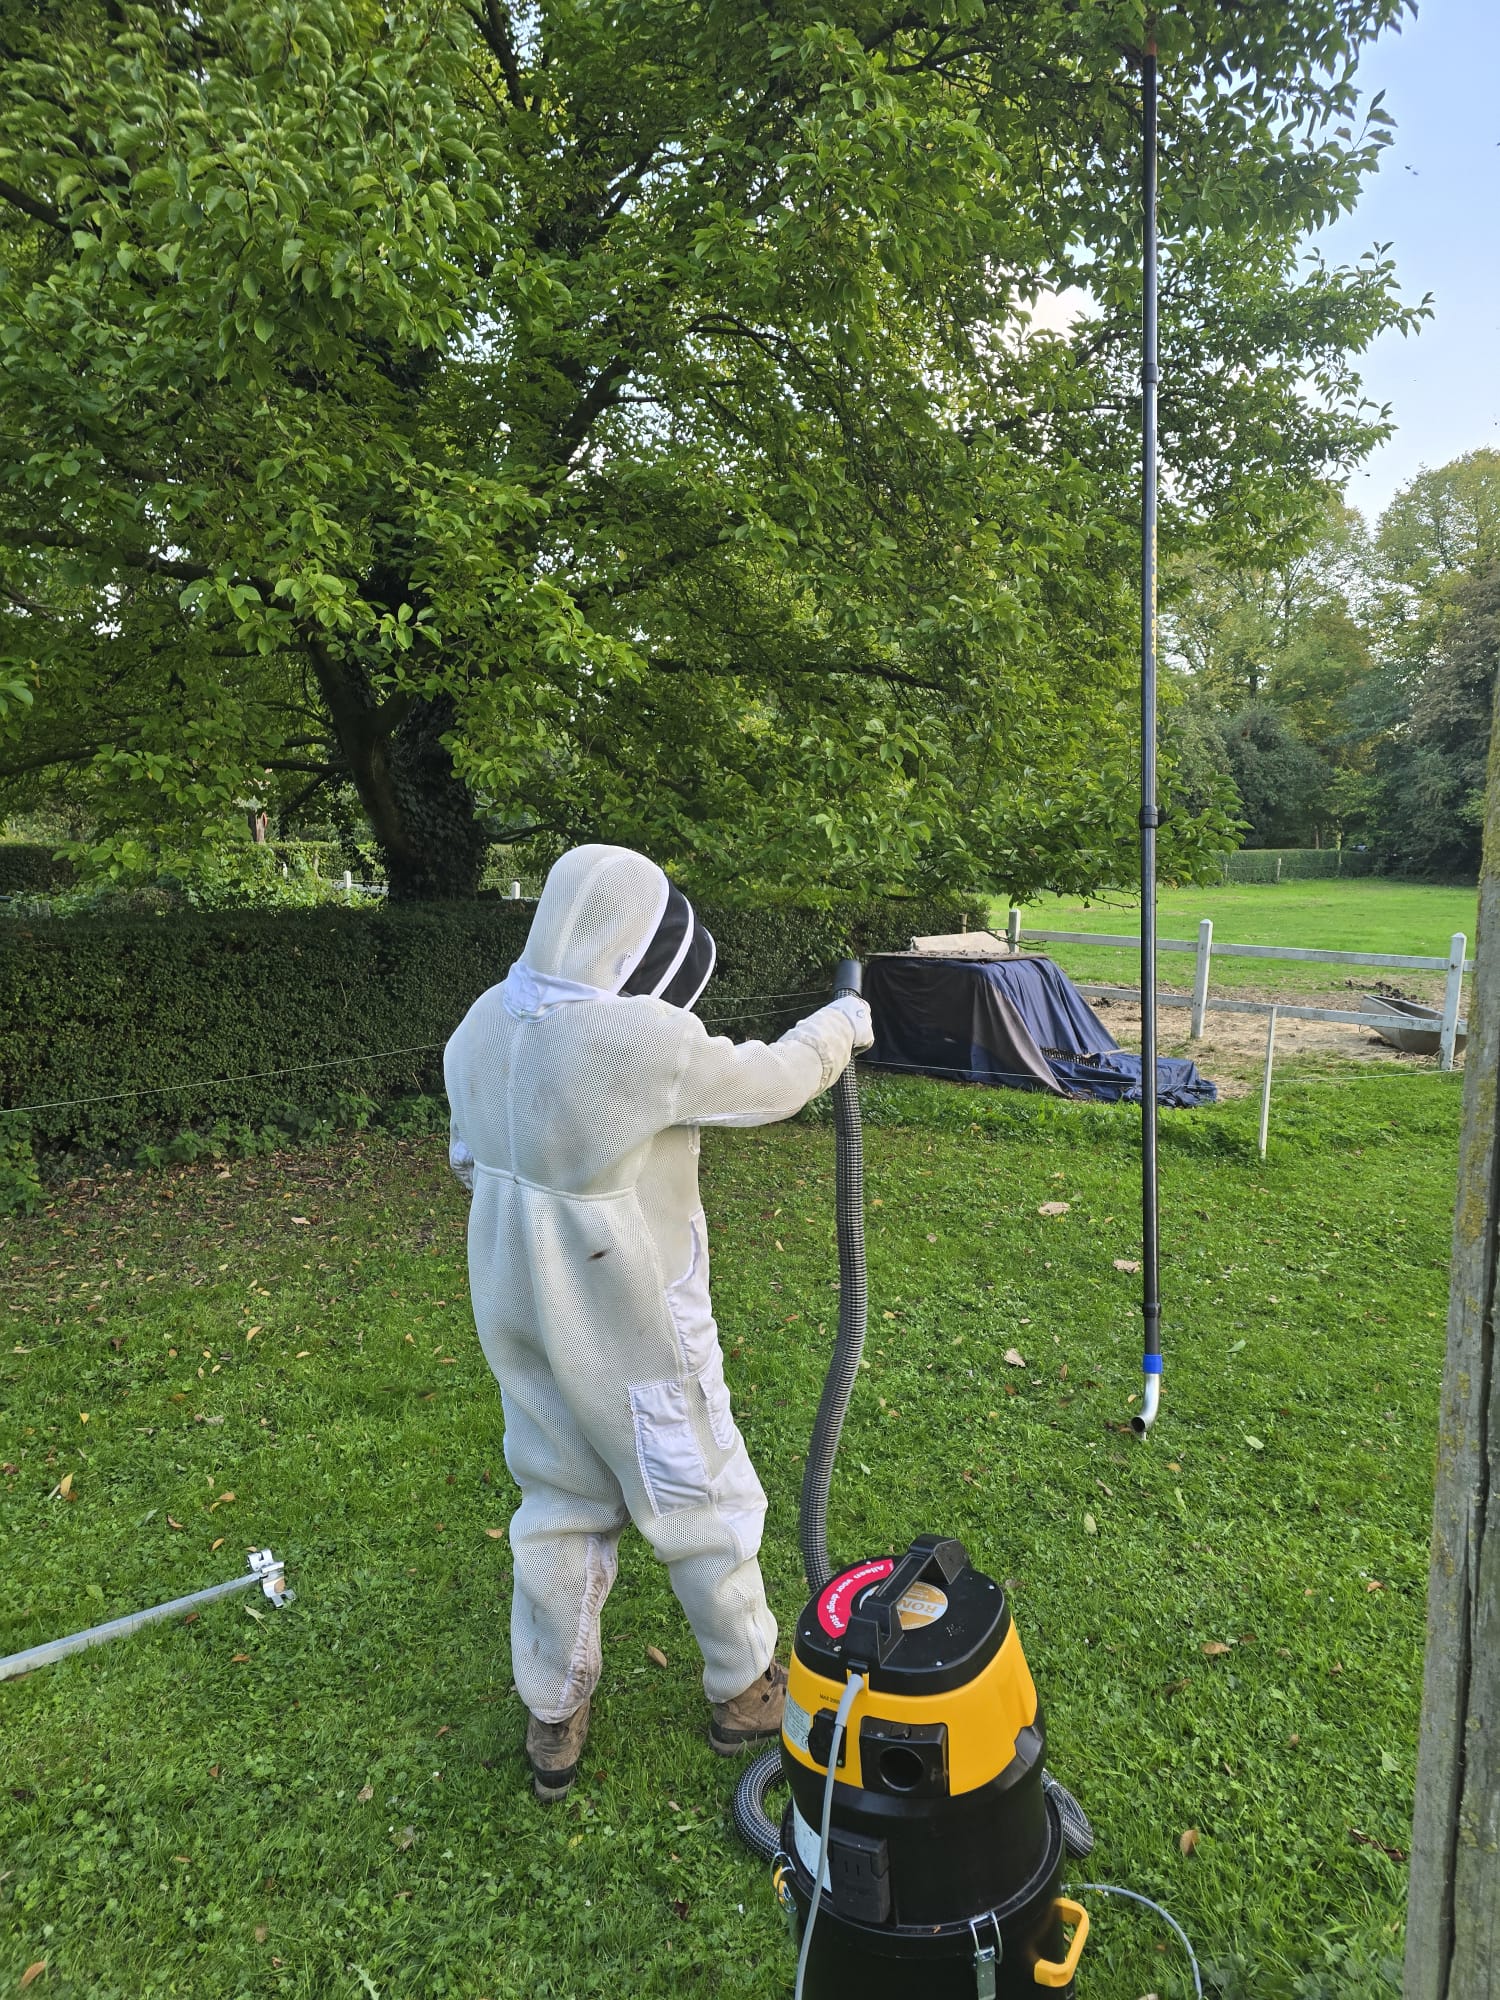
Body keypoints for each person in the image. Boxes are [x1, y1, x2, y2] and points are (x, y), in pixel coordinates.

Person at [444, 844, 874, 1802]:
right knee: (698, 1494)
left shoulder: (479, 1025)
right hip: (634, 1317)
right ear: (625, 932)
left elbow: (468, 1159)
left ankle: (553, 1712)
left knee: (557, 1501)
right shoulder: (633, 1038)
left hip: (520, 1313)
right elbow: (772, 1080)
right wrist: (842, 1025)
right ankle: (746, 1688)